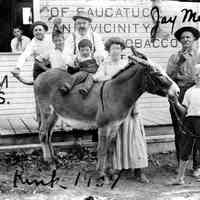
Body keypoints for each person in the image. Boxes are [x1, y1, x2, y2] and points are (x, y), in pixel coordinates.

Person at [94, 37, 149, 183]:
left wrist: (135, 106)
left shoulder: (126, 65)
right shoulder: (105, 64)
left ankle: (139, 170)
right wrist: (108, 78)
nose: (115, 51)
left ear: (122, 50)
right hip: (113, 109)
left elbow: (135, 87)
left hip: (130, 107)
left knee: (134, 138)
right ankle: (117, 168)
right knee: (116, 140)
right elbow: (97, 78)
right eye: (113, 48)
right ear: (108, 50)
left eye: (118, 48)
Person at [166, 26, 200, 177]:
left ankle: (197, 166)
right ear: (180, 41)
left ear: (194, 40)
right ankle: (181, 164)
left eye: (189, 37)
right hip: (179, 93)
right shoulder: (174, 57)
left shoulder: (199, 56)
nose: (186, 39)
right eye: (183, 37)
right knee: (180, 131)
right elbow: (167, 78)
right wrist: (179, 62)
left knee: (197, 130)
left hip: (196, 94)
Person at [170, 65, 200, 185]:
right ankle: (180, 178)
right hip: (189, 121)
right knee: (185, 149)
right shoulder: (190, 91)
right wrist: (176, 102)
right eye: (197, 75)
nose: (199, 77)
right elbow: (184, 110)